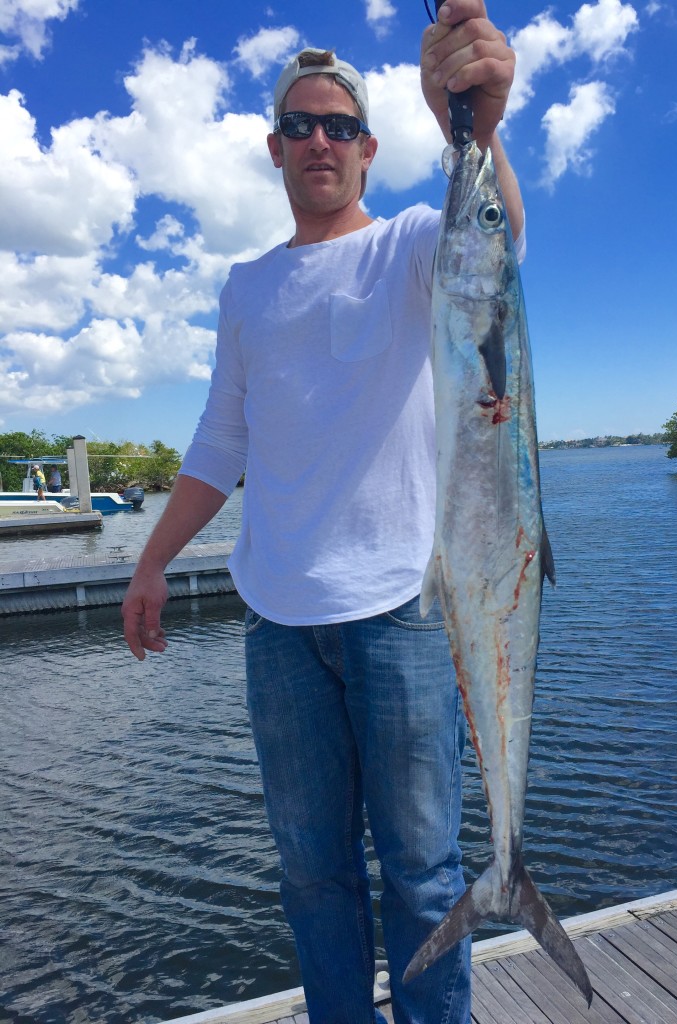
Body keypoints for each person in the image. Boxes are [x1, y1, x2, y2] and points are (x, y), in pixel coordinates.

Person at [122, 2, 523, 1020]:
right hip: (279, 627)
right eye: (299, 125)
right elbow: (221, 442)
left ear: (367, 147)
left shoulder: (407, 249)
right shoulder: (246, 286)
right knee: (311, 879)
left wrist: (476, 128)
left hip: (401, 614)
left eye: (338, 126)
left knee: (424, 872)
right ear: (273, 149)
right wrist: (151, 560)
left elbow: (498, 244)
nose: (318, 141)